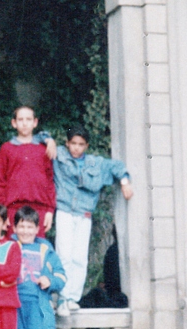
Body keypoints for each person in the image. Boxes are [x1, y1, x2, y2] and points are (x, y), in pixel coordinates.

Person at [53, 125, 133, 318]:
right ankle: (63, 297)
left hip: (84, 213)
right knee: (64, 254)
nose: (76, 148)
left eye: (81, 144)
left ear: (86, 145)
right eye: (73, 143)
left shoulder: (94, 163)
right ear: (67, 143)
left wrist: (124, 181)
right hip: (64, 210)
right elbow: (41, 140)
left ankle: (73, 297)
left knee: (80, 257)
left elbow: (115, 167)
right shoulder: (59, 156)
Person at [12, 206, 66, 329]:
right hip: (14, 306)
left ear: (37, 229)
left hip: (38, 306)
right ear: (15, 228)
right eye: (21, 226)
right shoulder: (9, 247)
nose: (25, 231)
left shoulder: (45, 250)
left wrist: (49, 280)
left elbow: (61, 276)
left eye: (29, 227)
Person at [0, 106, 57, 238]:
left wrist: (50, 210)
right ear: (14, 123)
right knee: (13, 250)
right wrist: (2, 212)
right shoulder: (7, 148)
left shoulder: (43, 149)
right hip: (13, 209)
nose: (24, 123)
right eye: (20, 119)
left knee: (37, 252)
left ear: (35, 122)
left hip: (39, 208)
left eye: (28, 119)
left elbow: (50, 180)